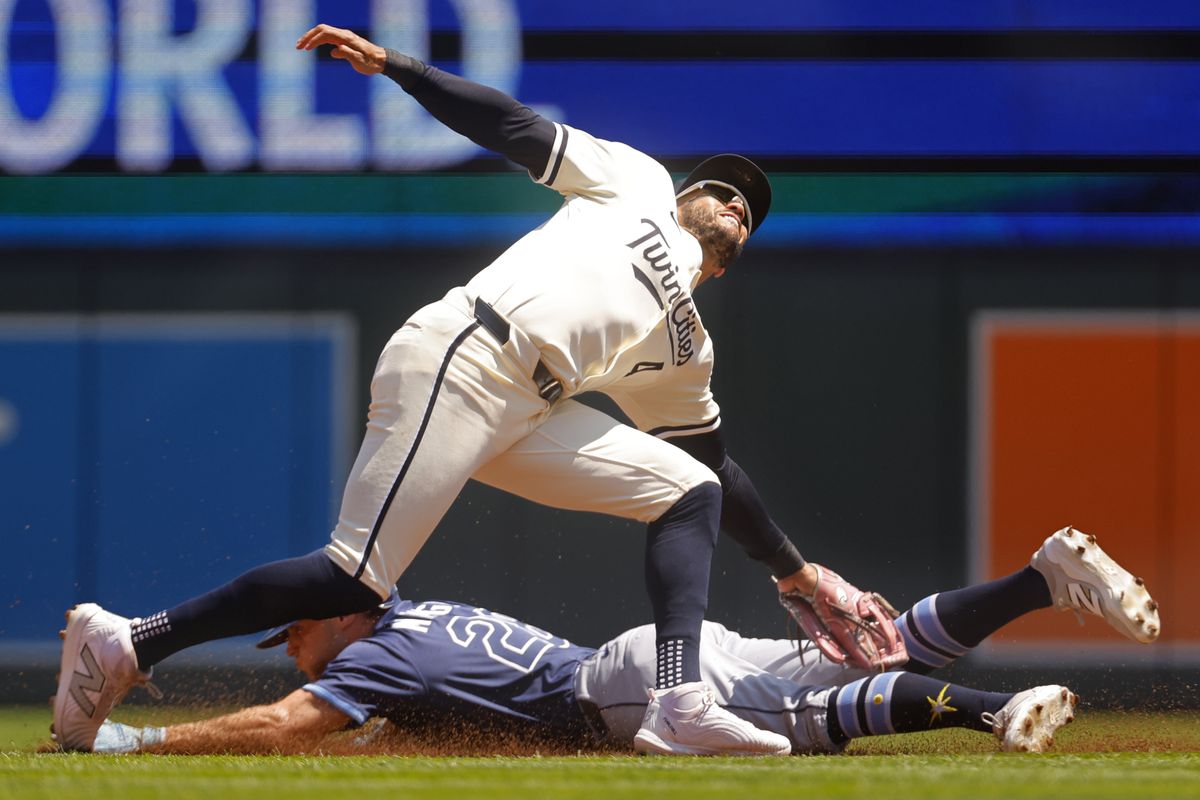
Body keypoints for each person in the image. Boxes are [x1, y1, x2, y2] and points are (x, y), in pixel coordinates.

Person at [55, 22, 849, 756]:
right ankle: (128, 641)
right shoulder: (637, 185)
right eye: (723, 188)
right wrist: (401, 67)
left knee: (686, 492)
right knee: (353, 578)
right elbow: (513, 125)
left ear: (724, 264)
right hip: (468, 351)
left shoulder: (687, 350)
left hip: (527, 409)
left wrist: (796, 570)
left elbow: (719, 468)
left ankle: (678, 702)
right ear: (686, 197)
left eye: (750, 211)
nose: (737, 202)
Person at [84, 529, 1159, 757]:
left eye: (299, 626)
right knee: (860, 660)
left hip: (621, 691)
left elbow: (285, 723)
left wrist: (139, 744)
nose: (292, 646)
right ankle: (1037, 576)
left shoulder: (373, 654)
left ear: (351, 612)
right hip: (655, 652)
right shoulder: (414, 624)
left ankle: (989, 714)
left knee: (818, 721)